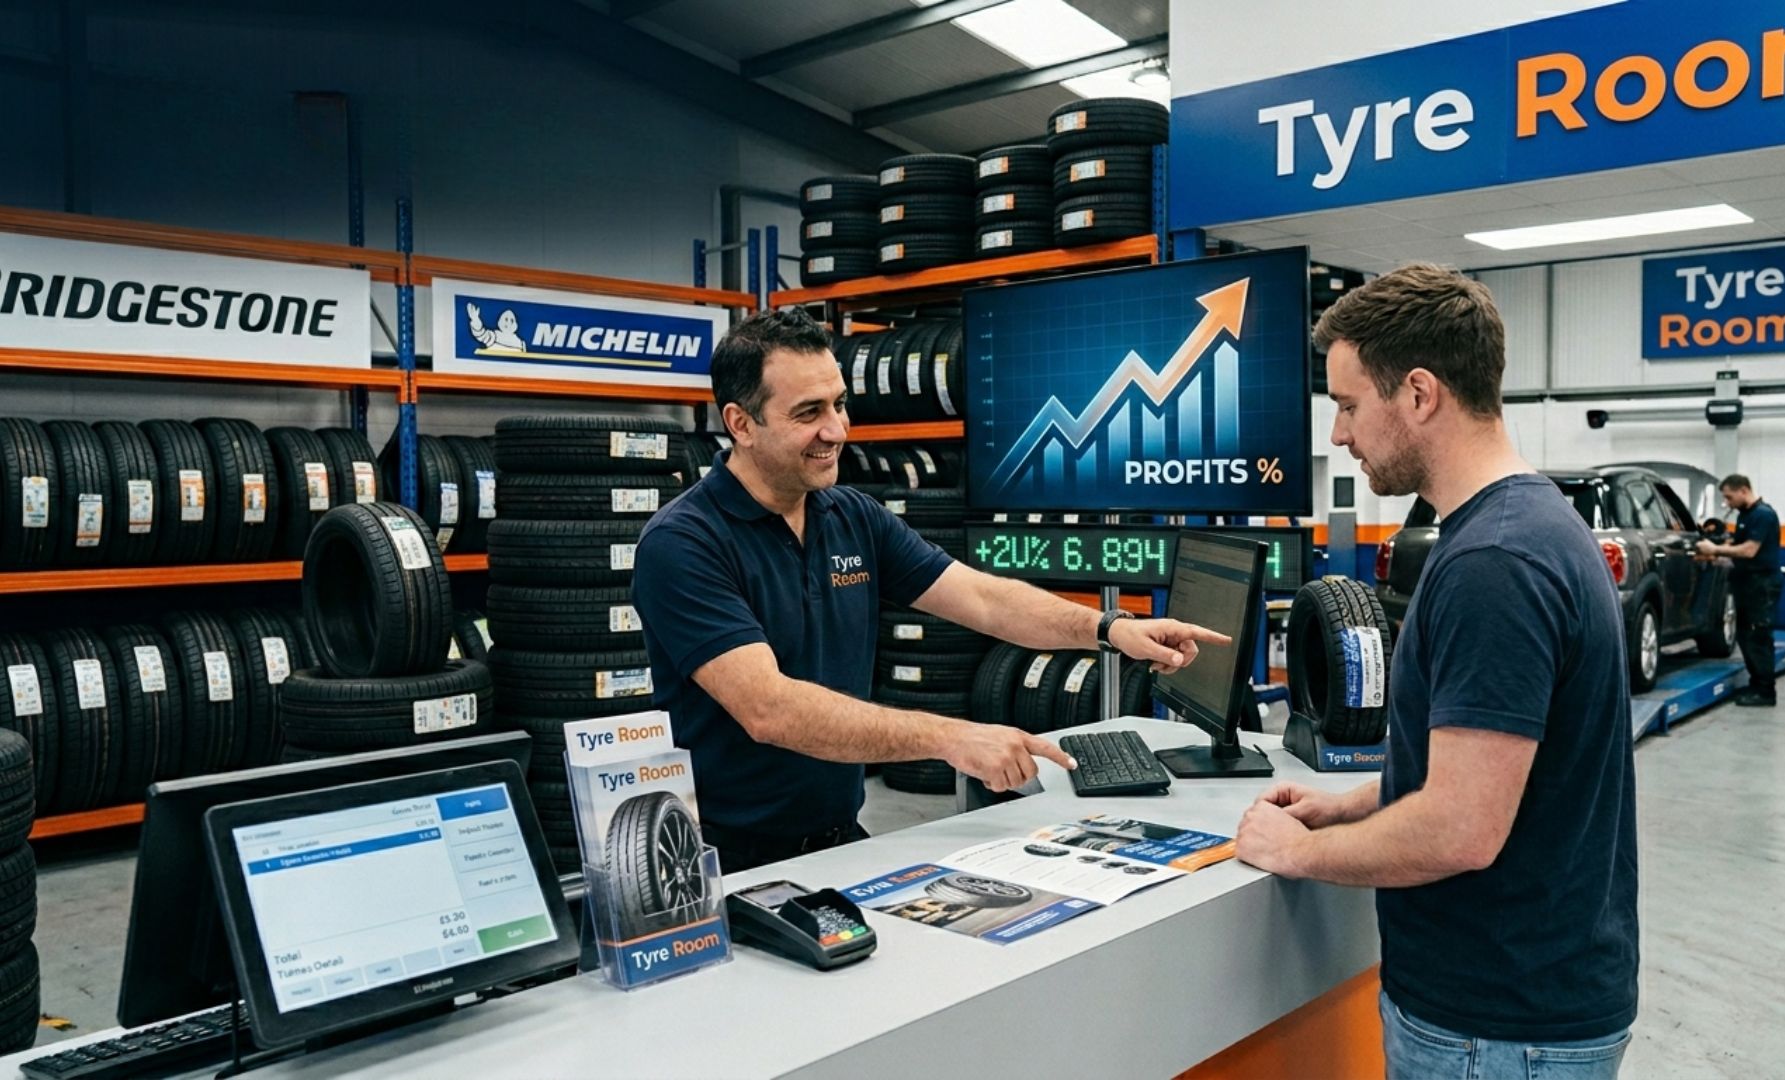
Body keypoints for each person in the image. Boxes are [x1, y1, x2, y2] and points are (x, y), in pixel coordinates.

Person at [633, 309, 1229, 873]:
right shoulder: (684, 543)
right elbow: (770, 709)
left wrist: (1109, 629)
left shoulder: (850, 516)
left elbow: (982, 598)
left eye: (839, 404)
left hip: (838, 839)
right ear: (741, 424)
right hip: (724, 862)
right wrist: (952, 737)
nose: (836, 430)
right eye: (808, 412)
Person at [1232, 265, 1639, 1079]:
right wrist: (1346, 807)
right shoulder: (1525, 525)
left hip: (1499, 1029)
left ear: (1419, 394)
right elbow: (1488, 772)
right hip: (1519, 1009)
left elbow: (1461, 828)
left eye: (1349, 405)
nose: (1339, 435)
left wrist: (1299, 854)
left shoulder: (1495, 563)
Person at [1695, 474, 1782, 706]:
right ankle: (1757, 685)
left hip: (1761, 586)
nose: (1727, 503)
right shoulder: (1746, 515)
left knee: (1758, 637)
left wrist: (1715, 549)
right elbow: (1737, 547)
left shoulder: (1763, 515)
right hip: (1747, 584)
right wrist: (1716, 553)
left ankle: (1766, 692)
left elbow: (1749, 550)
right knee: (1746, 636)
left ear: (1743, 490)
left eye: (1729, 497)